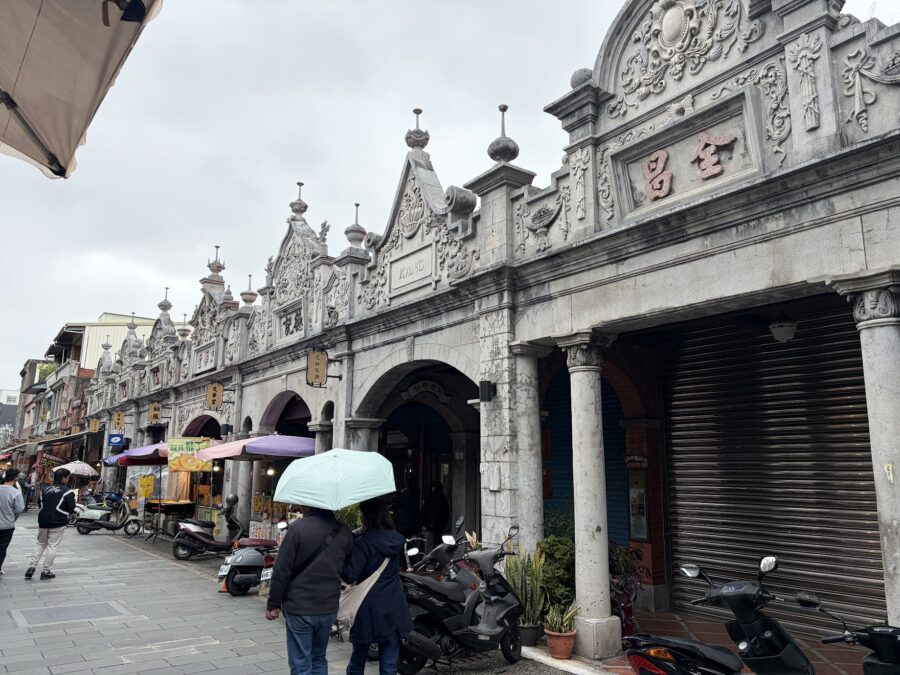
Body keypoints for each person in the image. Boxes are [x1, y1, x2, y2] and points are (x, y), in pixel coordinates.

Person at [266, 504, 353, 675]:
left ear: (309, 504)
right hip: (328, 606)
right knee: (319, 658)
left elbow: (282, 569)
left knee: (301, 662)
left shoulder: (297, 528)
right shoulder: (344, 530)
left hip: (300, 605)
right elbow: (348, 567)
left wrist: (273, 604)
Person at [342, 498, 413, 675]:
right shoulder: (397, 540)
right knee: (389, 665)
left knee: (357, 661)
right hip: (394, 605)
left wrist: (341, 557)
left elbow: (350, 575)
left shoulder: (363, 543)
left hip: (368, 608)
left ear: (366, 516)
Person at [26, 467, 76, 581]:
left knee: (40, 544)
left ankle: (31, 566)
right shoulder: (68, 491)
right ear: (64, 478)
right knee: (52, 545)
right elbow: (72, 508)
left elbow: (39, 503)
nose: (67, 479)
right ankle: (46, 571)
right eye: (67, 477)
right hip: (58, 521)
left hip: (43, 520)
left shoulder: (45, 490)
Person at [0, 469, 26, 576]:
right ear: (15, 478)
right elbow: (19, 509)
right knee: (2, 548)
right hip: (6, 526)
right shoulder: (15, 493)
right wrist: (12, 517)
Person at [422, 481, 450, 549]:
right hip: (439, 528)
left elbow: (424, 512)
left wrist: (424, 524)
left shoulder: (430, 498)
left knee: (429, 547)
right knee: (438, 548)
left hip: (430, 526)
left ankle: (429, 559)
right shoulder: (443, 499)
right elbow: (446, 513)